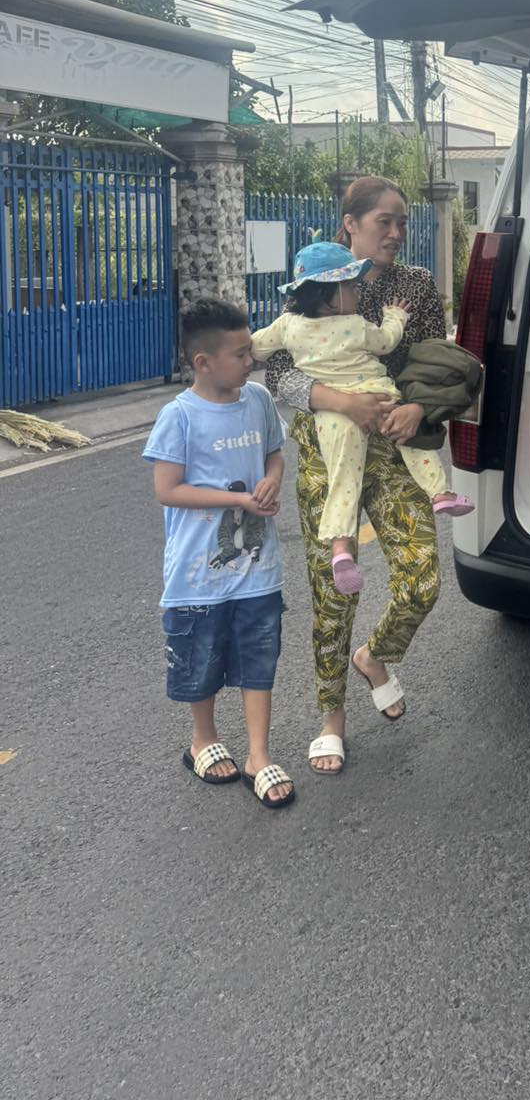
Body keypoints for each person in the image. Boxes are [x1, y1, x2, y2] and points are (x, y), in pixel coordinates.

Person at [261, 177, 448, 777]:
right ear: (350, 224)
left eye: (402, 222)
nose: (395, 233)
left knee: (422, 578)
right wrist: (340, 401)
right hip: (327, 450)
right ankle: (331, 719)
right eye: (383, 222)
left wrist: (419, 407)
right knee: (333, 591)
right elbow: (278, 372)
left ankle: (376, 655)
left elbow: (435, 365)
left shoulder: (415, 285)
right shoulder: (316, 277)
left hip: (394, 451)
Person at [251, 241, 473, 597]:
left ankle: (340, 549)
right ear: (330, 297)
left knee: (342, 477)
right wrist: (396, 315)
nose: (357, 292)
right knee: (412, 441)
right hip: (379, 397)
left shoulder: (288, 325)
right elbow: (387, 341)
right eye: (351, 287)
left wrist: (236, 352)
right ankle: (440, 492)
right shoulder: (355, 325)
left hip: (332, 418)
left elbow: (257, 347)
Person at [144, 298, 295, 810]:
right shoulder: (179, 416)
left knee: (259, 655)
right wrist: (237, 500)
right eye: (240, 354)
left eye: (250, 350)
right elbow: (167, 489)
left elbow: (274, 453)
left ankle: (258, 754)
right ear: (203, 362)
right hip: (197, 574)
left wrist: (271, 480)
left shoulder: (258, 400)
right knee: (200, 657)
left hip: (259, 567)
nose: (251, 361)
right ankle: (202, 740)